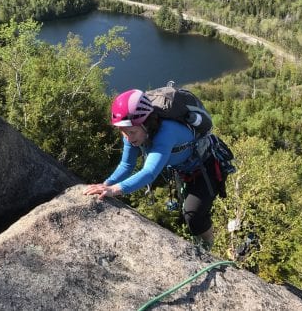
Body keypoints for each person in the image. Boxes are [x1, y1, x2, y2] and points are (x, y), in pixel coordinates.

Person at [83, 89, 220, 249]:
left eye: (132, 132)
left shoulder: (167, 132)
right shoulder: (132, 129)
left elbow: (149, 173)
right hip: (184, 170)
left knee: (193, 216)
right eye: (123, 132)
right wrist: (106, 184)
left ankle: (209, 248)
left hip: (206, 166)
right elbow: (127, 165)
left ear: (146, 123)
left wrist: (114, 190)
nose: (128, 137)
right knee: (187, 213)